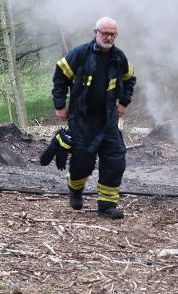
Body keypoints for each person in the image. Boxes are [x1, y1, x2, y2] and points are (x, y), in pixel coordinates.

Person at [52, 17, 136, 219]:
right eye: (105, 33)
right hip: (81, 119)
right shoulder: (79, 54)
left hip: (107, 120)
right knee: (82, 162)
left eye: (113, 34)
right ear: (95, 32)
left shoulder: (119, 57)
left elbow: (130, 78)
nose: (109, 37)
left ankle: (107, 207)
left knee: (115, 160)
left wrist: (123, 103)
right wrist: (60, 106)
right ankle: (75, 189)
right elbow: (60, 78)